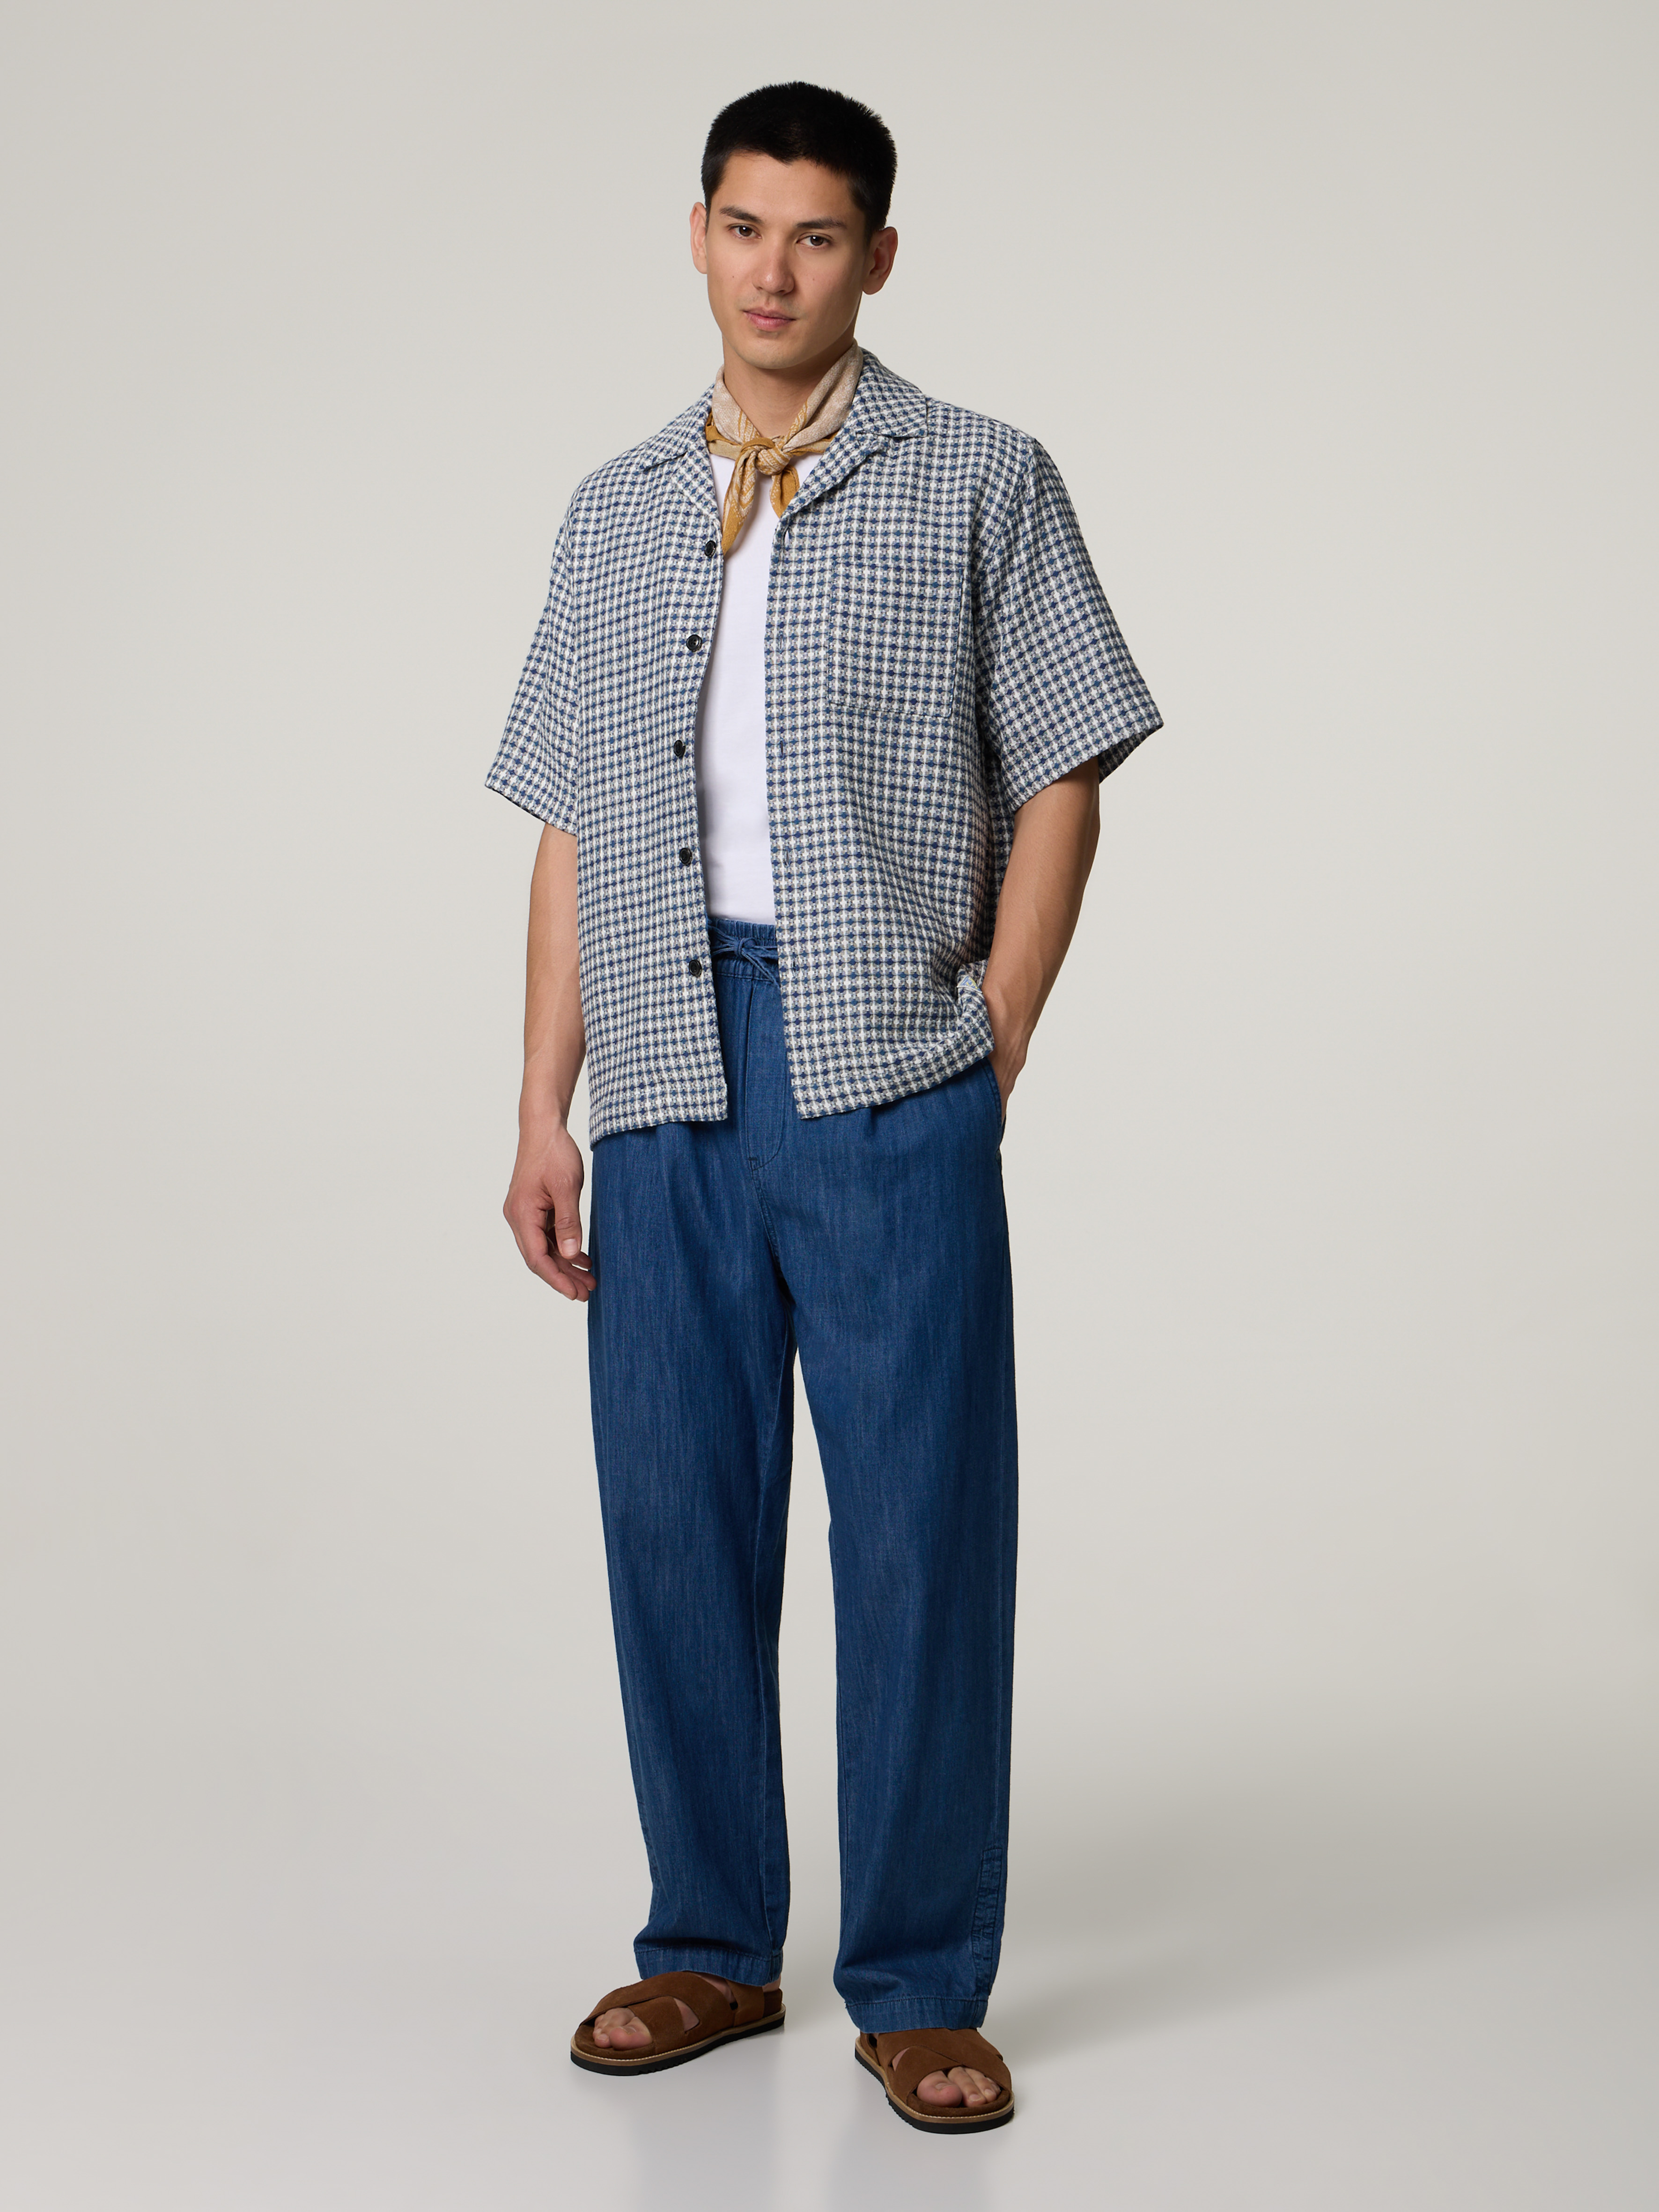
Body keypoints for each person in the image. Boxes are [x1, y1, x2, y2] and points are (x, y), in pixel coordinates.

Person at [489, 81, 1160, 2136]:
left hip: (886, 1062)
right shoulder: (615, 509)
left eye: (816, 234)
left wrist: (996, 1032)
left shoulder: (979, 478)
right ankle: (707, 1940)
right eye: (743, 226)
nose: (774, 270)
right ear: (695, 235)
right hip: (664, 1065)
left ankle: (922, 1982)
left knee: (923, 1528)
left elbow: (1063, 769)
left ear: (876, 256)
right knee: (673, 1520)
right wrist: (541, 1105)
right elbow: (573, 826)